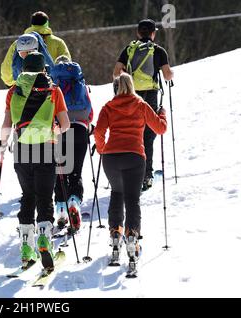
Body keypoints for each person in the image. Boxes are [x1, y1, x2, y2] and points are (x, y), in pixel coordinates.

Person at [0, 52, 70, 270]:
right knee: (45, 195)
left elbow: (7, 124)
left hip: (21, 149)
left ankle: (27, 247)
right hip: (45, 148)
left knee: (27, 195)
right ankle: (44, 238)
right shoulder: (53, 90)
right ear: (43, 68)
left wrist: (2, 145)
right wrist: (54, 130)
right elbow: (65, 124)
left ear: (23, 68)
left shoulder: (13, 91)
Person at [94, 73, 167, 267]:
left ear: (116, 87)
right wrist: (162, 114)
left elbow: (99, 132)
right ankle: (132, 237)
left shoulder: (108, 107)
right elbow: (160, 129)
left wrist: (102, 150)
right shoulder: (141, 105)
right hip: (134, 156)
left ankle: (115, 233)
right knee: (132, 199)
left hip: (111, 158)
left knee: (117, 193)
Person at [113, 19, 174, 191]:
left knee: (132, 132)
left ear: (138, 33)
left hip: (131, 95)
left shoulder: (129, 49)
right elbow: (168, 75)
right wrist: (171, 74)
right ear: (153, 33)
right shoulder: (158, 50)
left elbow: (116, 73)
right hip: (150, 96)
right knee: (148, 134)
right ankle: (147, 176)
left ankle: (130, 173)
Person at [50, 55, 93, 233]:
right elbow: (90, 113)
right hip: (81, 129)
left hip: (60, 130)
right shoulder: (80, 82)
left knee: (60, 170)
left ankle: (61, 209)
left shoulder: (53, 86)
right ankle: (74, 201)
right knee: (76, 172)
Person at [1, 11, 71, 87]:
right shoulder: (58, 42)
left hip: (25, 86)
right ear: (47, 23)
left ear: (32, 24)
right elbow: (67, 65)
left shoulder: (19, 43)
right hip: (51, 87)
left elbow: (6, 69)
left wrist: (13, 83)